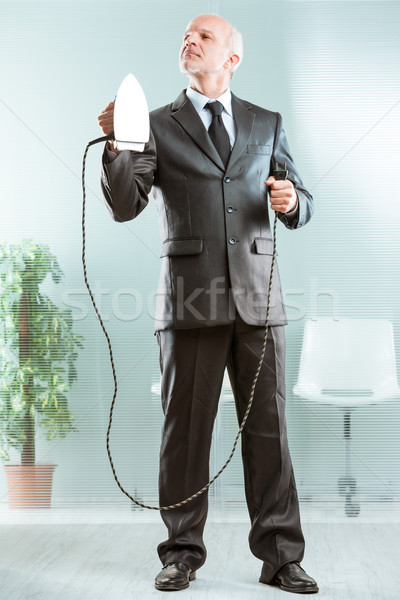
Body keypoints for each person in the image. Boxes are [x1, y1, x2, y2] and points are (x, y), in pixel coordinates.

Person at [98, 13, 318, 594]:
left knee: (269, 435)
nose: (190, 40)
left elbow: (302, 201)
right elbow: (125, 205)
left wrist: (292, 200)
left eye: (205, 36)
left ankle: (281, 556)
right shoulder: (153, 124)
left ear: (231, 58)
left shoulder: (266, 123)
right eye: (186, 36)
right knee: (186, 435)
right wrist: (120, 145)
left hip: (259, 304)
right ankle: (180, 553)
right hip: (189, 302)